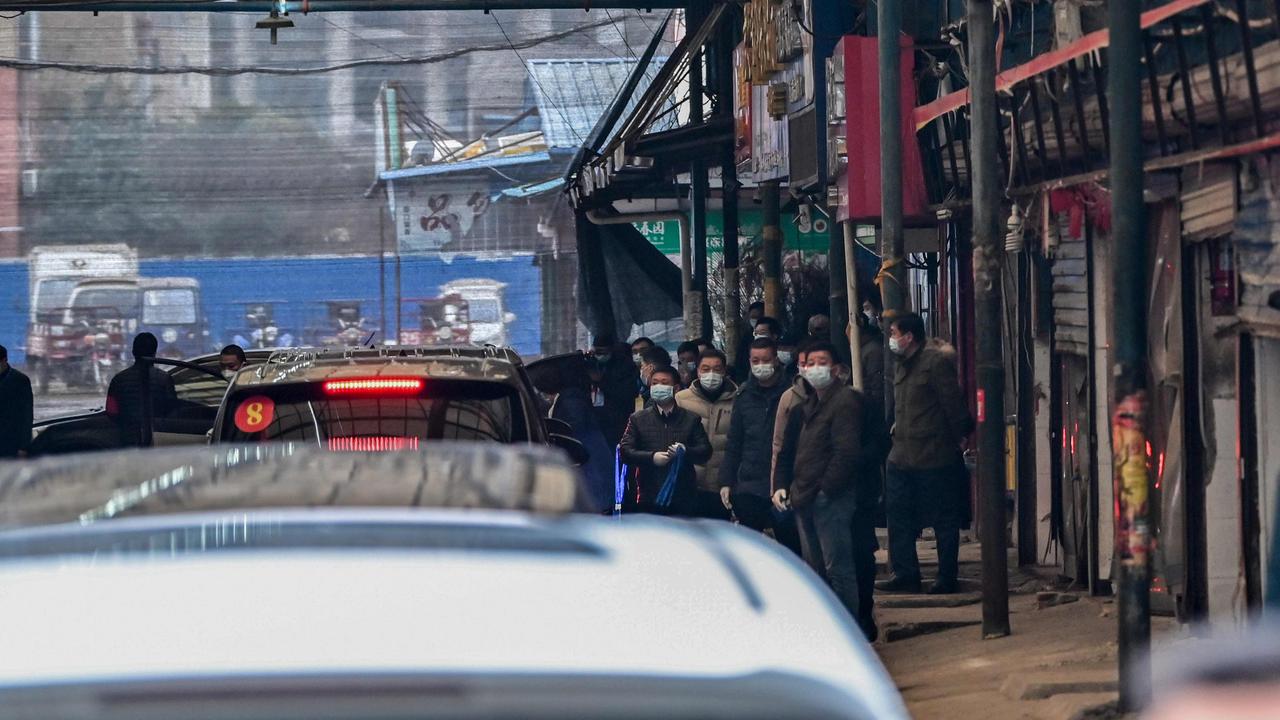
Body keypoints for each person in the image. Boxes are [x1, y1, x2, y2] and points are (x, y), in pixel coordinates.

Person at [876, 312, 974, 595]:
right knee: (898, 518)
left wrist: (961, 435)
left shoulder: (934, 364)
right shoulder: (901, 365)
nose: (892, 339)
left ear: (909, 336)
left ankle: (946, 577)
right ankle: (905, 574)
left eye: (895, 333)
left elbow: (952, 404)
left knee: (944, 519)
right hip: (902, 454)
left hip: (934, 454)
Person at [772, 341, 866, 625]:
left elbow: (846, 452)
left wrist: (827, 489)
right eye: (809, 363)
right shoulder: (806, 406)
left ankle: (848, 631)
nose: (815, 369)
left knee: (837, 567)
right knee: (815, 570)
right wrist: (781, 484)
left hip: (829, 497)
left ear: (836, 369)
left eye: (821, 362)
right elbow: (786, 451)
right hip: (803, 496)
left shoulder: (846, 401)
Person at [619, 365, 712, 516]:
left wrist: (685, 451)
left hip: (683, 494)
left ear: (675, 388)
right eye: (655, 383)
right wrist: (651, 457)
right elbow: (625, 451)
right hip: (649, 492)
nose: (658, 387)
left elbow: (705, 451)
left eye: (664, 383)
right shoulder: (638, 419)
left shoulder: (691, 419)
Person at [719, 339, 790, 534]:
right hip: (749, 484)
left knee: (790, 546)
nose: (761, 365)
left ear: (775, 360)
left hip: (783, 482)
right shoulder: (743, 395)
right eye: (755, 360)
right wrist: (726, 481)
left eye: (765, 360)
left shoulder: (791, 393)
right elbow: (734, 441)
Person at [675, 348, 737, 521]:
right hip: (689, 486)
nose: (711, 374)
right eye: (705, 369)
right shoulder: (681, 400)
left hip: (722, 487)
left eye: (717, 369)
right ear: (698, 371)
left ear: (724, 371)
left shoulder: (738, 399)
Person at [106, 332, 178, 446]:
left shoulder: (119, 379)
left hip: (127, 439)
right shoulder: (164, 379)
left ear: (133, 352)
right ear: (154, 352)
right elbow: (173, 409)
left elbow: (111, 411)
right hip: (159, 438)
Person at [587, 334, 639, 451]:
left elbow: (625, 393)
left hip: (617, 420)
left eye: (603, 352)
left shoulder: (624, 366)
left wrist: (601, 382)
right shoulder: (591, 363)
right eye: (597, 352)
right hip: (595, 420)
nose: (599, 355)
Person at [0, 345, 33, 459]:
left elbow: (27, 416)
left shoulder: (20, 381)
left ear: (4, 360)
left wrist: (24, 447)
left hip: (10, 442)